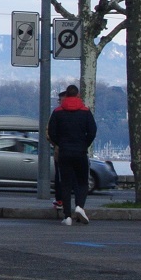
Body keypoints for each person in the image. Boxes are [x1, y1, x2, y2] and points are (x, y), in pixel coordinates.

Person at [46, 84, 97, 226]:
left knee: (66, 184)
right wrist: (84, 144)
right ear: (78, 95)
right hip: (80, 151)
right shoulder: (85, 112)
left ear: (66, 96)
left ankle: (67, 216)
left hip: (64, 152)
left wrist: (60, 144)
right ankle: (80, 206)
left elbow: (52, 132)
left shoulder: (57, 112)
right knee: (82, 182)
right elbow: (92, 131)